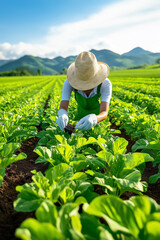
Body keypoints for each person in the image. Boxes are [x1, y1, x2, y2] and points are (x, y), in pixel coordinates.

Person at [56, 51, 112, 131]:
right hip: (79, 118)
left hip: (98, 120)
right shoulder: (69, 82)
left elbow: (104, 112)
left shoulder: (105, 84)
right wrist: (62, 114)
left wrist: (95, 118)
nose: (85, 88)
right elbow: (63, 107)